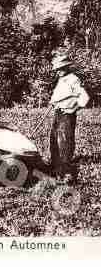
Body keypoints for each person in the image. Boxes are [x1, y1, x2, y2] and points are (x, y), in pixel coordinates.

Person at [49, 53, 89, 182]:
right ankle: (55, 167)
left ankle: (65, 171)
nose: (58, 71)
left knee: (64, 142)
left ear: (66, 67)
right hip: (58, 113)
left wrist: (72, 109)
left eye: (60, 68)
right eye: (57, 69)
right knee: (54, 140)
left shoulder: (73, 79)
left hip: (67, 115)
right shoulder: (61, 80)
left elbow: (84, 98)